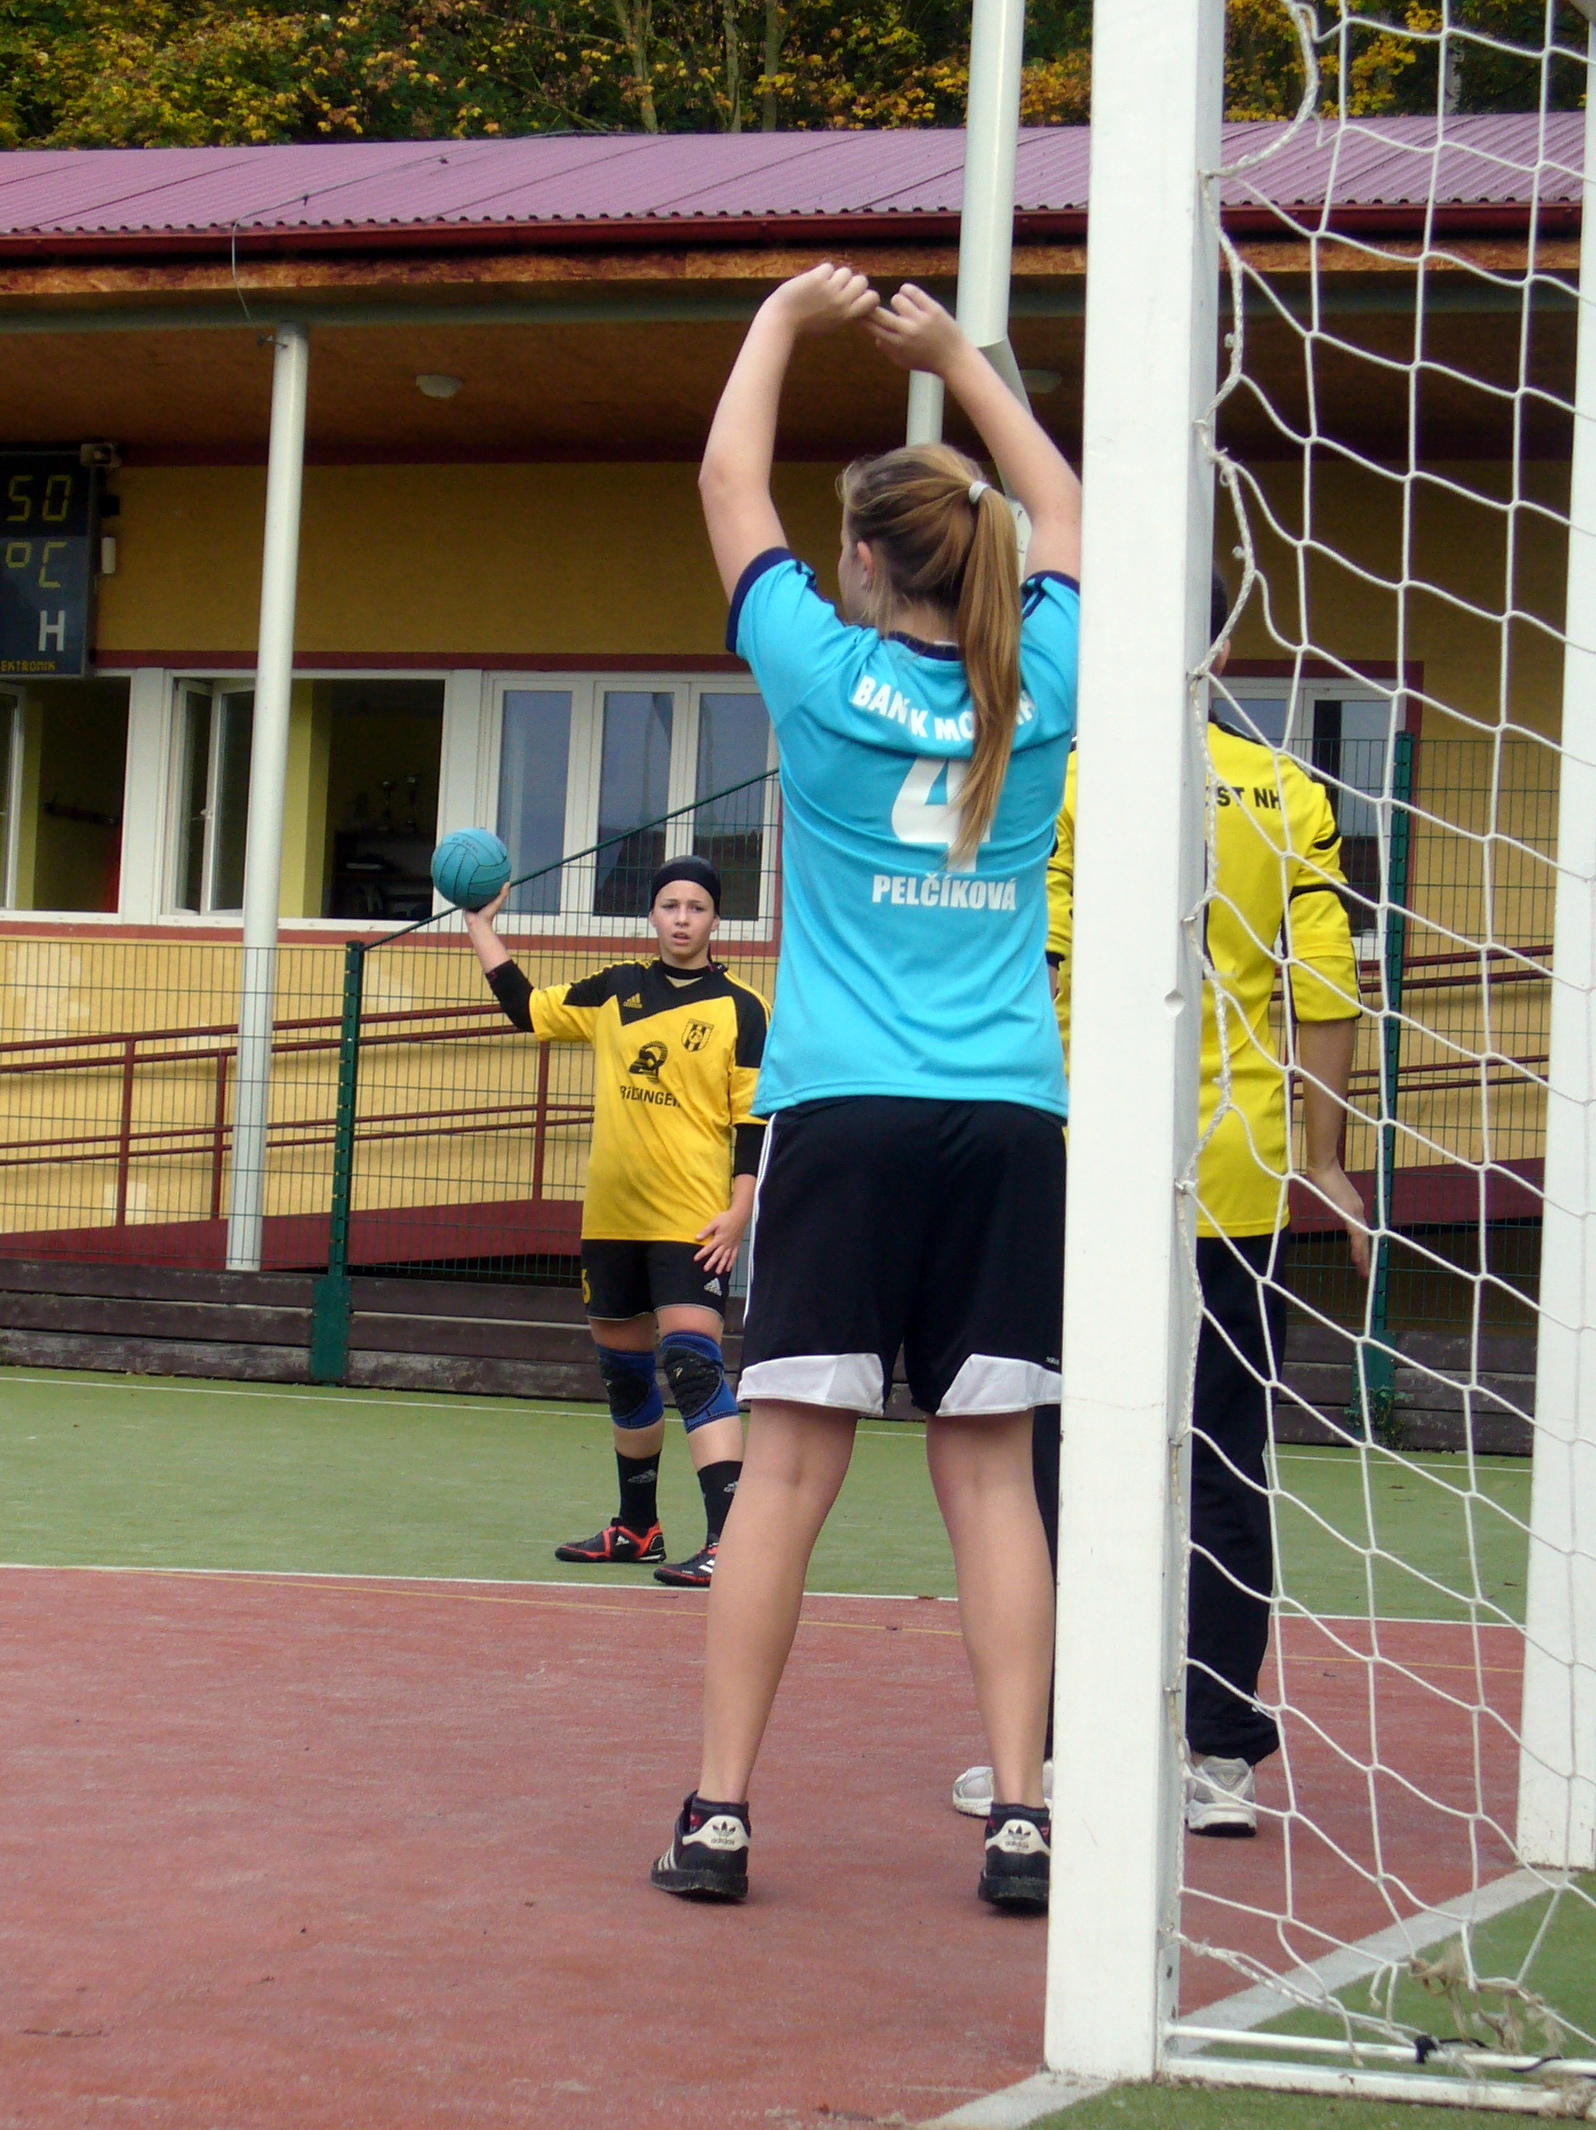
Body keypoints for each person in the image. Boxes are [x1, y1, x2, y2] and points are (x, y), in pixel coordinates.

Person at [648, 264, 1082, 1911]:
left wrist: (781, 319)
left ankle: (719, 1814)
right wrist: (956, 357)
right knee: (992, 1478)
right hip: (1008, 1119)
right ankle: (1023, 1815)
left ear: (863, 563)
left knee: (786, 1473)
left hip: (844, 1117)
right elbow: (1066, 508)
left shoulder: (820, 677)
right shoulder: (1041, 680)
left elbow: (724, 479)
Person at [952, 574, 1368, 1837]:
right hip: (1233, 1170)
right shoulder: (1286, 790)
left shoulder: (1064, 778)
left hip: (1086, 1165)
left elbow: (1036, 964)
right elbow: (1325, 983)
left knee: (1051, 1450)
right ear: (1225, 644)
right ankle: (1220, 1756)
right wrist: (1327, 1154)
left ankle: (1050, 1748)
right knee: (1224, 1457)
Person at [463, 854, 770, 1588]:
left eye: (697, 907)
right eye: (670, 905)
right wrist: (479, 924)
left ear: (716, 919)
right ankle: (637, 1530)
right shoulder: (614, 989)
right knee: (625, 1374)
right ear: (652, 914)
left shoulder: (743, 1007)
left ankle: (730, 1542)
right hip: (611, 1217)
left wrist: (741, 1210)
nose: (682, 919)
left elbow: (754, 1121)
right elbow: (528, 1009)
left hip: (692, 1220)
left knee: (693, 1366)